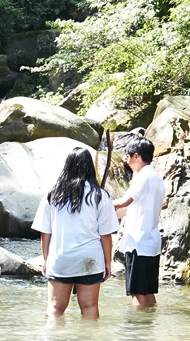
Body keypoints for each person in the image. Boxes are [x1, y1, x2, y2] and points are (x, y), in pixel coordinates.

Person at [33, 146, 118, 318]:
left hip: (61, 257)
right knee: (89, 306)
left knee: (55, 308)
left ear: (67, 166)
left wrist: (46, 259)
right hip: (90, 258)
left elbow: (45, 232)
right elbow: (105, 235)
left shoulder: (52, 195)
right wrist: (108, 262)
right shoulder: (100, 196)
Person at [112, 136, 165, 309]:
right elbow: (134, 207)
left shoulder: (142, 177)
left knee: (137, 293)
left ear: (136, 156)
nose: (126, 162)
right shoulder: (157, 178)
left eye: (127, 157)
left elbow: (125, 202)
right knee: (148, 293)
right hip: (151, 242)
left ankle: (137, 332)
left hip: (138, 243)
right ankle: (149, 330)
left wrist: (100, 203)